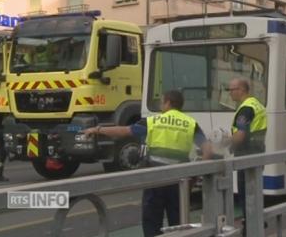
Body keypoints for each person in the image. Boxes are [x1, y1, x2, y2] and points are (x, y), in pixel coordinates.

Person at [84, 90, 212, 237]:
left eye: (162, 101)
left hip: (155, 180)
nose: (160, 104)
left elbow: (124, 131)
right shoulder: (191, 123)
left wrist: (97, 129)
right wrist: (195, 177)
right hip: (179, 182)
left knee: (152, 223)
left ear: (168, 103)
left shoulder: (154, 121)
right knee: (179, 225)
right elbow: (207, 149)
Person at [227, 77, 267, 233]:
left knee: (246, 196)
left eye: (231, 90)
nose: (230, 93)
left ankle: (250, 228)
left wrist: (222, 144)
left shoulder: (246, 109)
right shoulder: (257, 105)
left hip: (247, 156)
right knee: (254, 193)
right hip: (256, 153)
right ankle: (257, 224)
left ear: (241, 90)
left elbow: (240, 135)